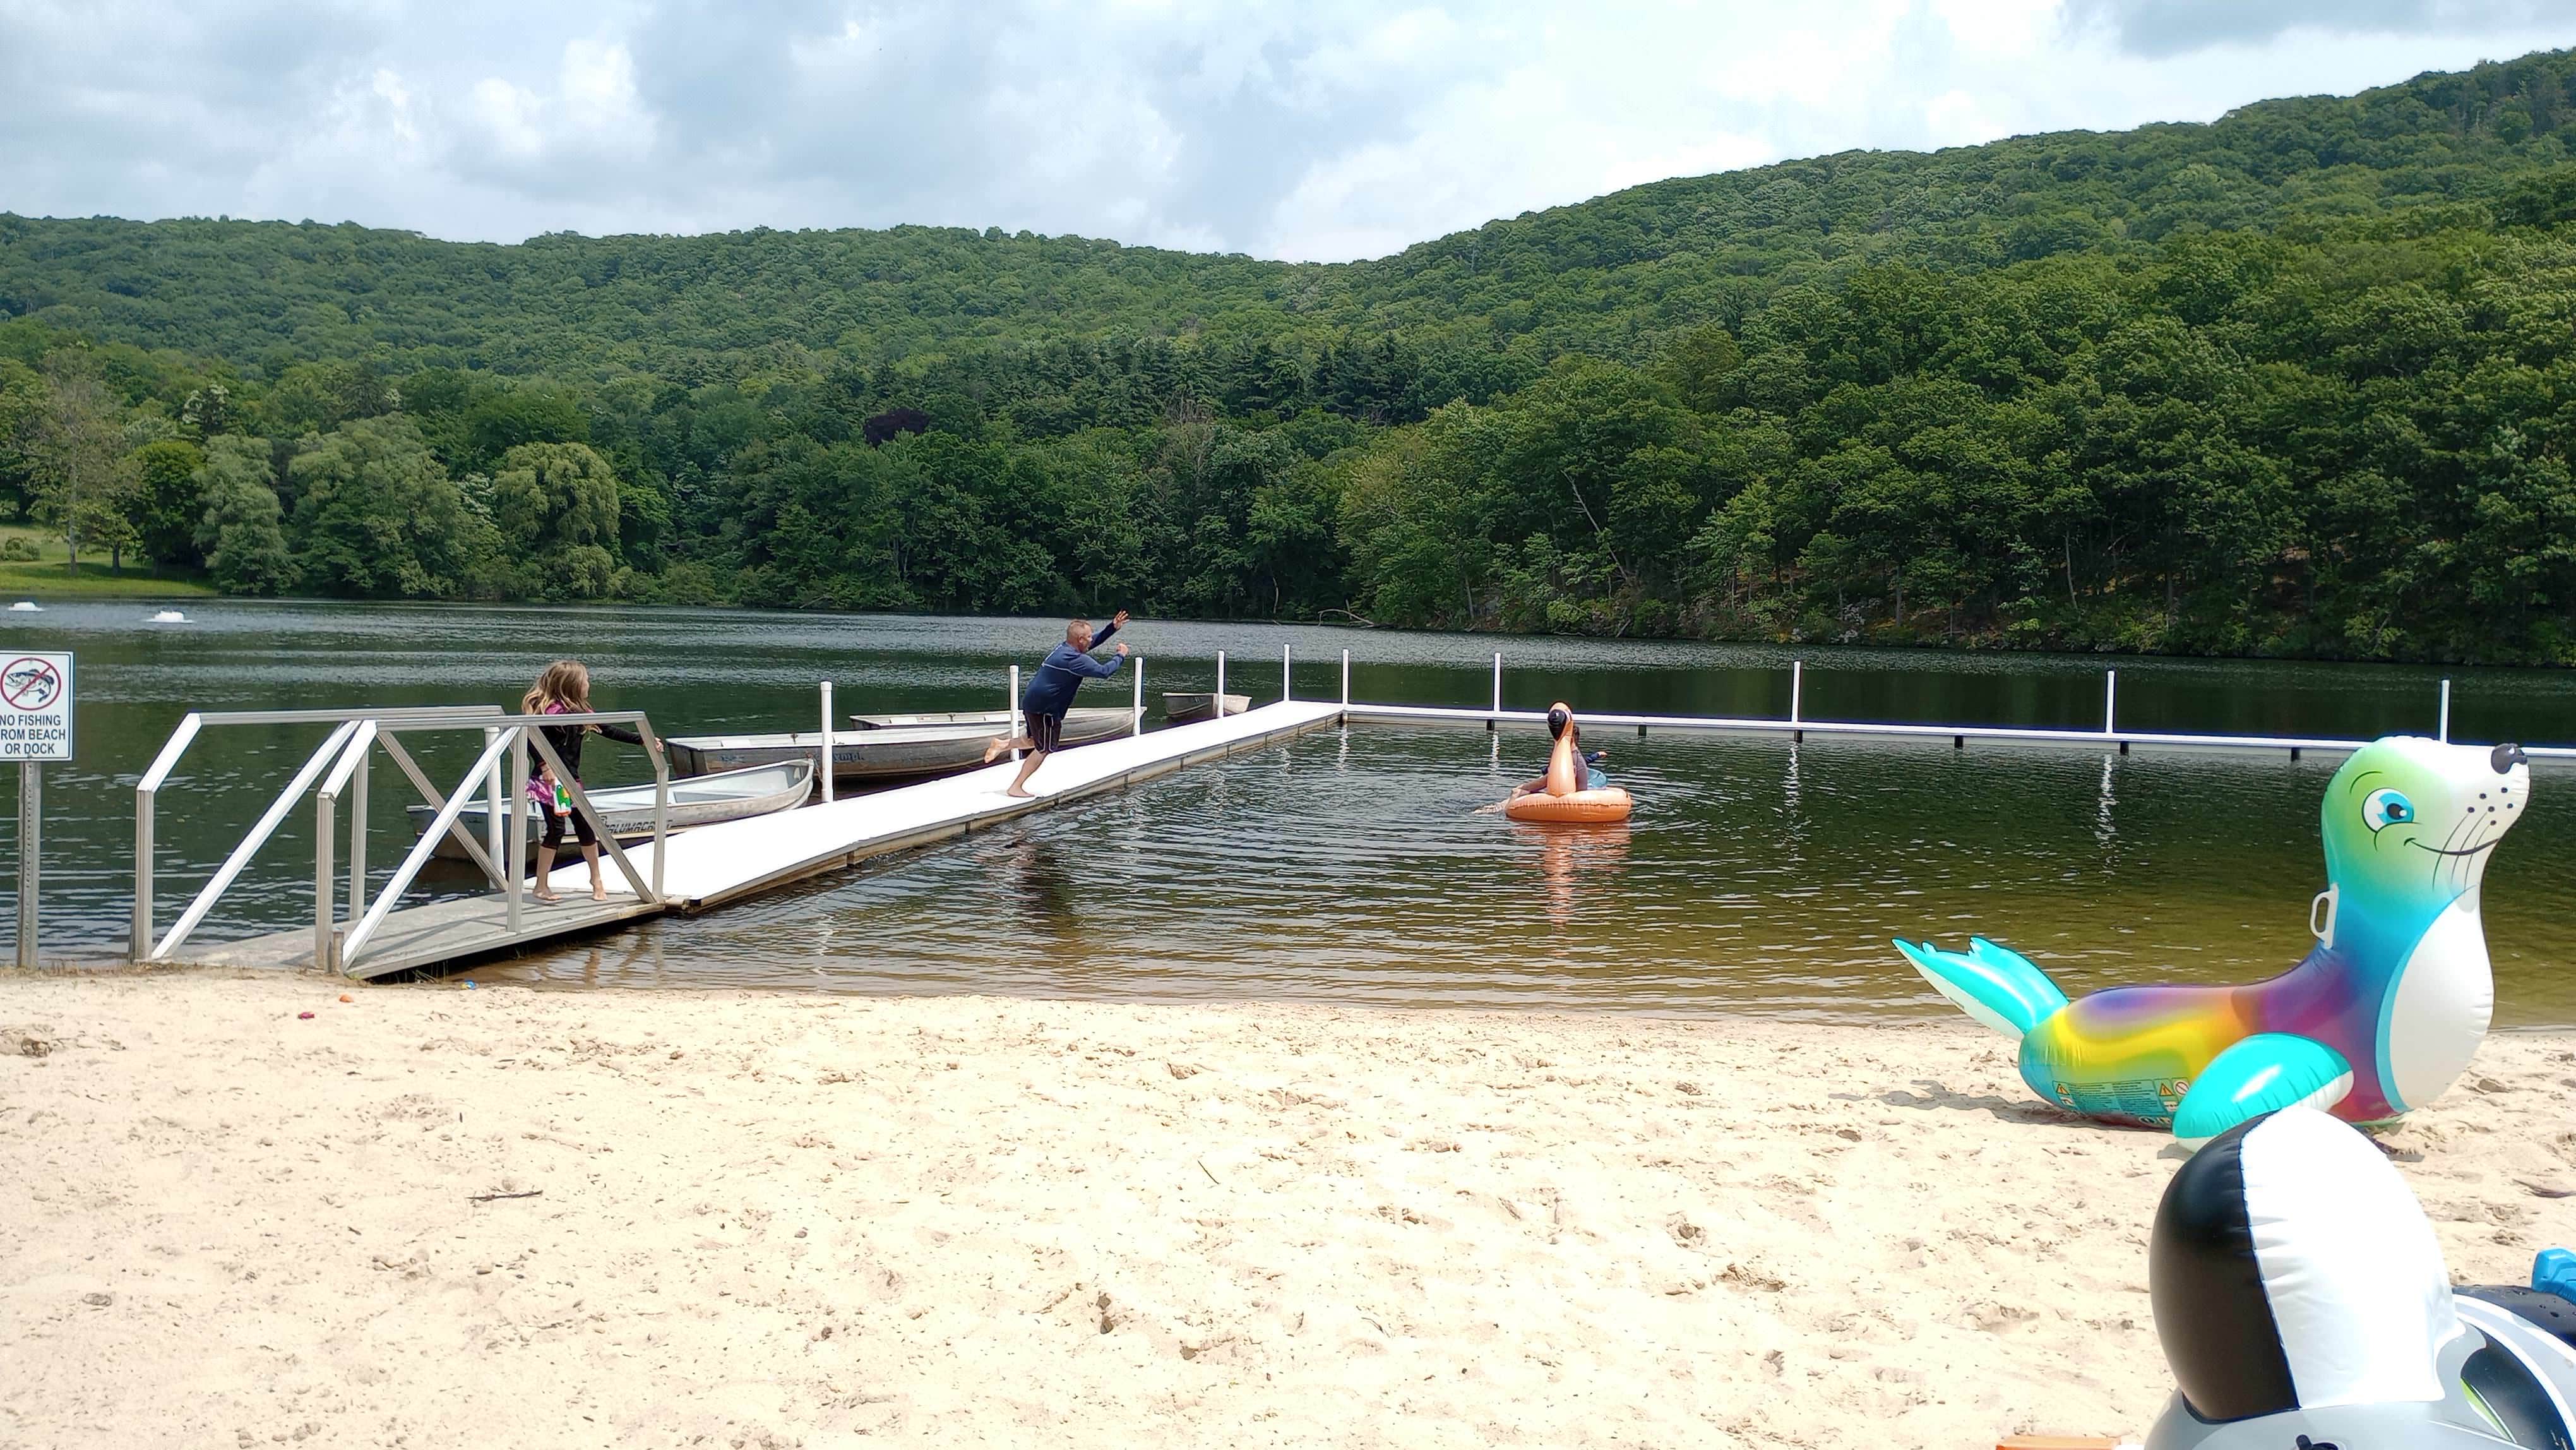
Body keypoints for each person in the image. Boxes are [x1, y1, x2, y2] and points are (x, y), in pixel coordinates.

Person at [522, 659, 643, 902]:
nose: (589, 684)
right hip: (550, 781)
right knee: (556, 830)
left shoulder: (580, 712)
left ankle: (596, 879)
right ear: (573, 685)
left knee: (586, 828)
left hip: (571, 781)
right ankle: (541, 885)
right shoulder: (548, 713)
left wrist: (642, 740)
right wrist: (545, 766)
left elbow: (608, 730)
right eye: (586, 680)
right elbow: (529, 740)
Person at [983, 611, 1131, 798]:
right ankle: (1016, 787)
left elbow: (1092, 643)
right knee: (1044, 749)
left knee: (1033, 740)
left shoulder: (1064, 649)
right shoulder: (1074, 660)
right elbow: (1104, 672)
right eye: (1088, 636)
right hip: (1046, 709)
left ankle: (1003, 744)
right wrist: (1121, 655)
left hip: (1032, 702)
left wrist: (1112, 628)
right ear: (1079, 640)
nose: (1092, 639)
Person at [1511, 704, 1610, 799]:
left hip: (1566, 795)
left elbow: (1552, 780)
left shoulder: (1569, 758)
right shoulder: (1573, 756)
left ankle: (1503, 807)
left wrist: (1523, 788)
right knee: (1521, 790)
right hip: (1568, 792)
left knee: (1518, 791)